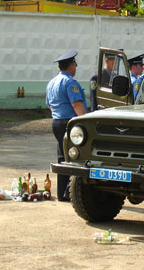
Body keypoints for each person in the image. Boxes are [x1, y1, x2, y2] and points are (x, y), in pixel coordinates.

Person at [46, 50, 87, 201]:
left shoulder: (51, 83)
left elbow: (49, 105)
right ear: (70, 66)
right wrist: (84, 122)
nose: (75, 68)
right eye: (75, 65)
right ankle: (69, 192)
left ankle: (61, 192)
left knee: (61, 157)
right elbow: (76, 104)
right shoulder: (70, 83)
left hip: (56, 122)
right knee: (73, 158)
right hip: (69, 123)